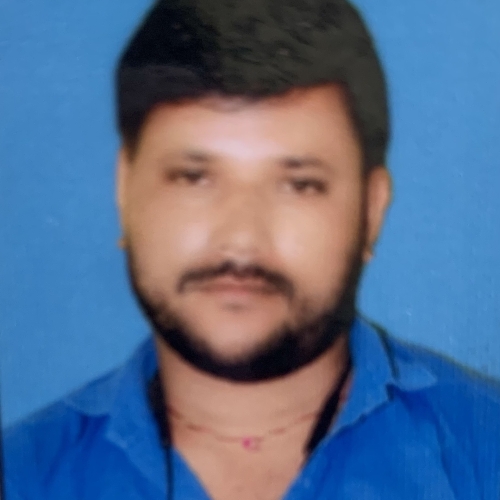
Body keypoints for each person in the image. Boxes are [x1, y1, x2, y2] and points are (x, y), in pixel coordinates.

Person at [3, 0, 500, 499]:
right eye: (194, 178)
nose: (241, 237)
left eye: (299, 185)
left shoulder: (483, 454)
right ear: (124, 191)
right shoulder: (22, 476)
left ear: (371, 211)